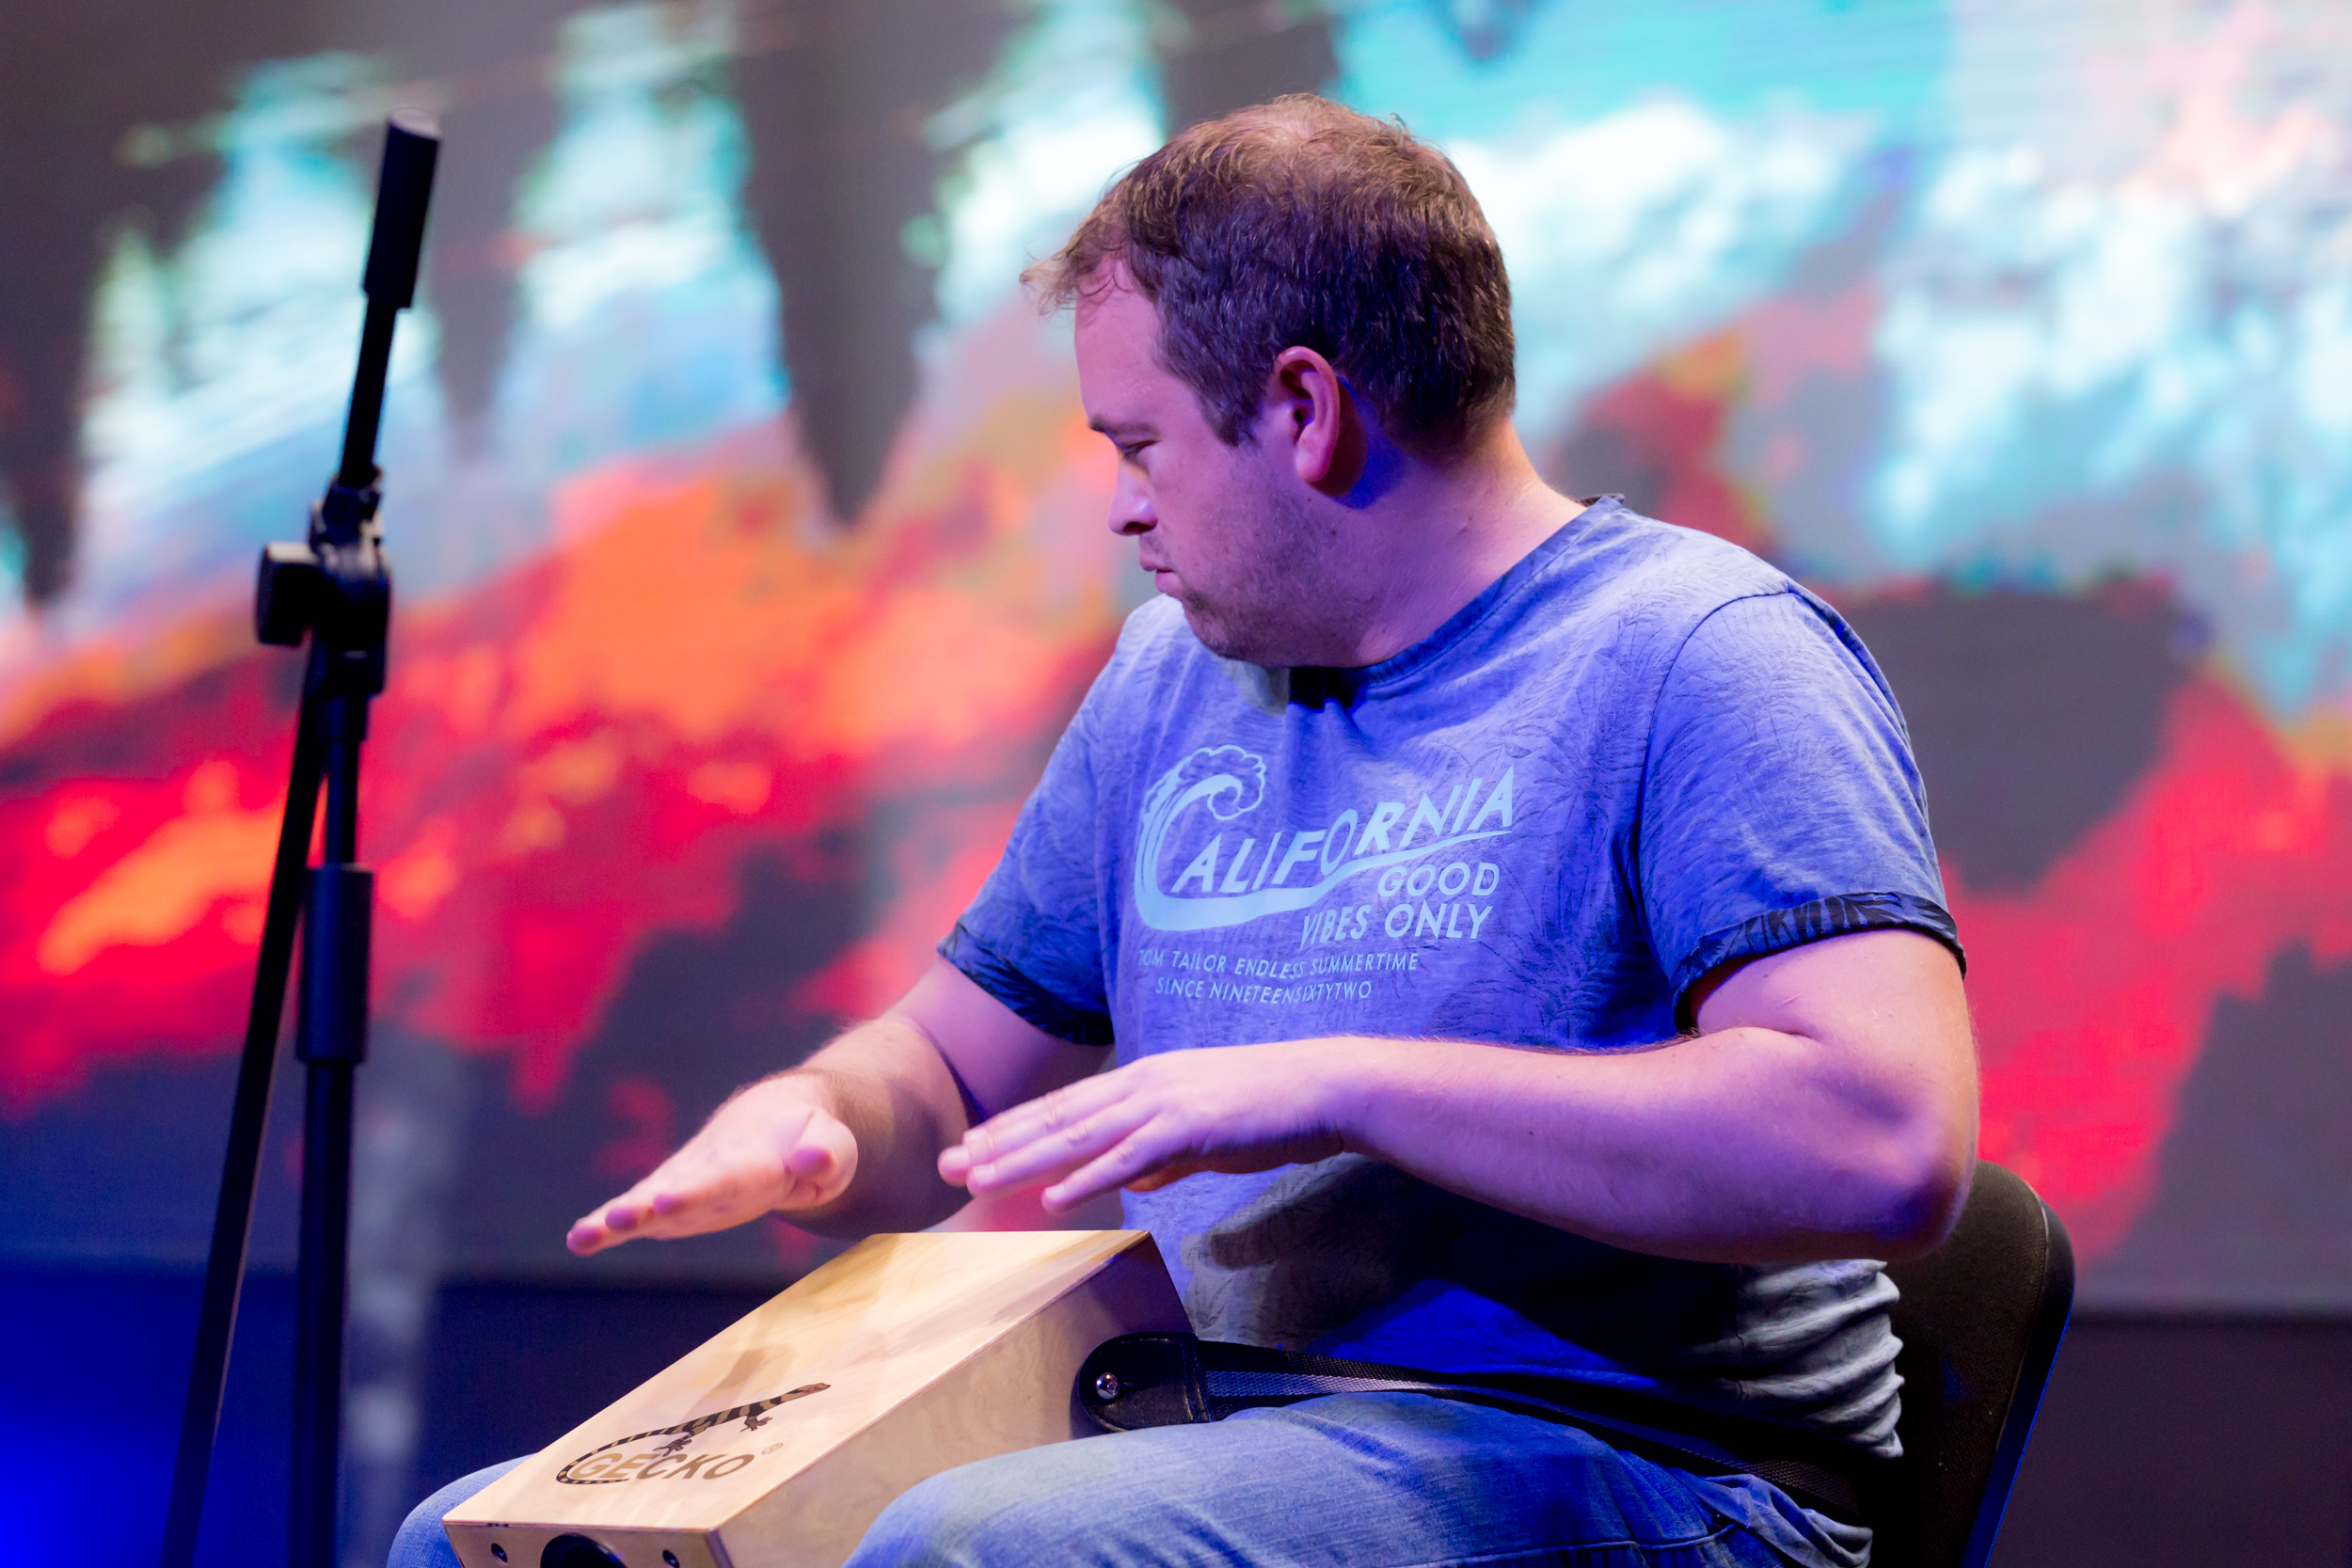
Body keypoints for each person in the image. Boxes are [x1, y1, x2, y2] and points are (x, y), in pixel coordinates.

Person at [393, 95, 1976, 1568]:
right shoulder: (1174, 681)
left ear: (1302, 409)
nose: (1123, 506)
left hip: (1653, 1465)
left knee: (980, 1552)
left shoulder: (1701, 654)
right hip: (1201, 1425)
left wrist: (1340, 1085)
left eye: (1140, 445)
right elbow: (946, 1066)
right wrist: (826, 1121)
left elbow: (1883, 1145)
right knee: (479, 1537)